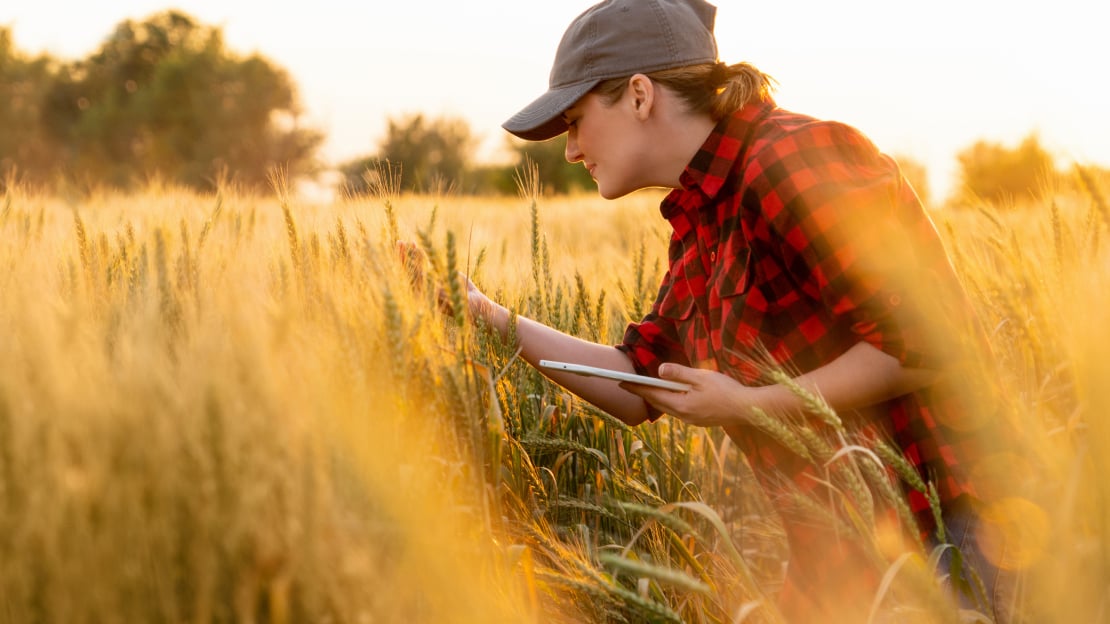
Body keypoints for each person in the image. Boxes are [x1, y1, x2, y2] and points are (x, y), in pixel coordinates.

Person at [463, 0, 1016, 621]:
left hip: (947, 541)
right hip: (843, 561)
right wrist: (484, 314)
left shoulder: (792, 157)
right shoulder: (704, 213)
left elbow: (922, 347)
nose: (569, 151)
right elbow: (639, 380)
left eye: (576, 120)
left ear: (640, 95)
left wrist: (747, 405)